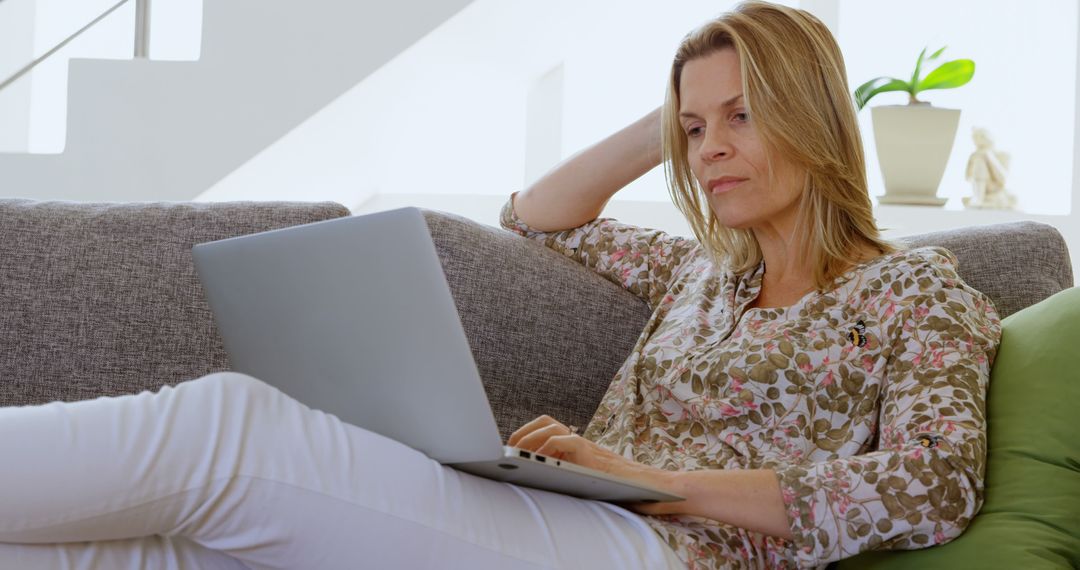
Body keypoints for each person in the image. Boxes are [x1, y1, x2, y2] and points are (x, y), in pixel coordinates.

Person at [0, 1, 1000, 569]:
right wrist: (669, 117)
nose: (710, 153)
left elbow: (934, 486)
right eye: (696, 131)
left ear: (813, 118)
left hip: (678, 557)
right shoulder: (702, 273)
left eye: (743, 118)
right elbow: (537, 215)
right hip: (579, 518)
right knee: (147, 553)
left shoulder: (919, 293)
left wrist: (653, 483)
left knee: (225, 428)